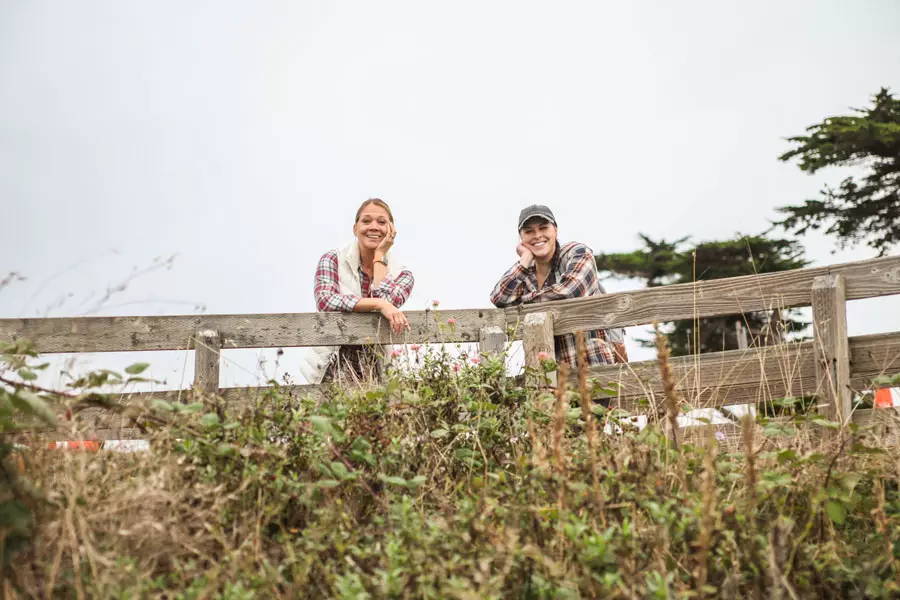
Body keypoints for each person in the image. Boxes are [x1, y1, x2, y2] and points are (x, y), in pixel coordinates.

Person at [490, 204, 628, 367]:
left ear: (555, 230)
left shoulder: (576, 253)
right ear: (521, 238)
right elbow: (499, 298)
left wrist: (523, 303)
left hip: (595, 366)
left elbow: (569, 293)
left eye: (543, 228)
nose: (537, 235)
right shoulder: (525, 272)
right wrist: (524, 260)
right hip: (552, 374)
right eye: (529, 231)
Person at [301, 198, 414, 384]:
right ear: (355, 228)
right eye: (366, 221)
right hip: (334, 361)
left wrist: (379, 257)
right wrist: (379, 304)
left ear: (391, 230)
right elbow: (325, 300)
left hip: (379, 365)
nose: (374, 227)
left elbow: (387, 299)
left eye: (382, 222)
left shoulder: (403, 274)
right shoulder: (332, 260)